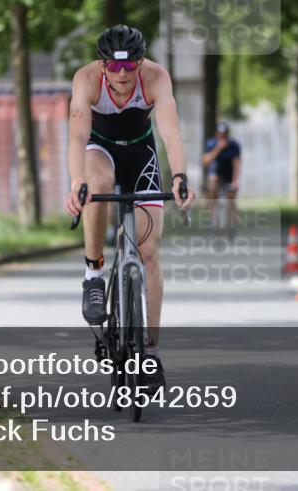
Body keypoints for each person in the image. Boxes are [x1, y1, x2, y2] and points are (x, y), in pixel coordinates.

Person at [64, 25, 196, 391]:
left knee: (149, 252)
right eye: (114, 67)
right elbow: (76, 137)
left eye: (129, 67)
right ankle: (94, 273)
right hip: (99, 149)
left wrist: (181, 175)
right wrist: (77, 182)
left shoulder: (156, 77)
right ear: (103, 65)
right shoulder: (87, 79)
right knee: (99, 184)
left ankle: (150, 353)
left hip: (141, 154)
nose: (122, 75)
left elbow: (170, 132)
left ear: (140, 63)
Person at [203, 121, 241, 213]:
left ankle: (231, 217)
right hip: (215, 172)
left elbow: (236, 164)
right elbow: (205, 162)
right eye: (219, 134)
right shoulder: (210, 144)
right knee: (212, 181)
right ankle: (212, 212)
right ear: (216, 134)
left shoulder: (234, 145)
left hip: (228, 173)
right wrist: (218, 149)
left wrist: (235, 180)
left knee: (231, 194)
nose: (222, 137)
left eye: (224, 135)